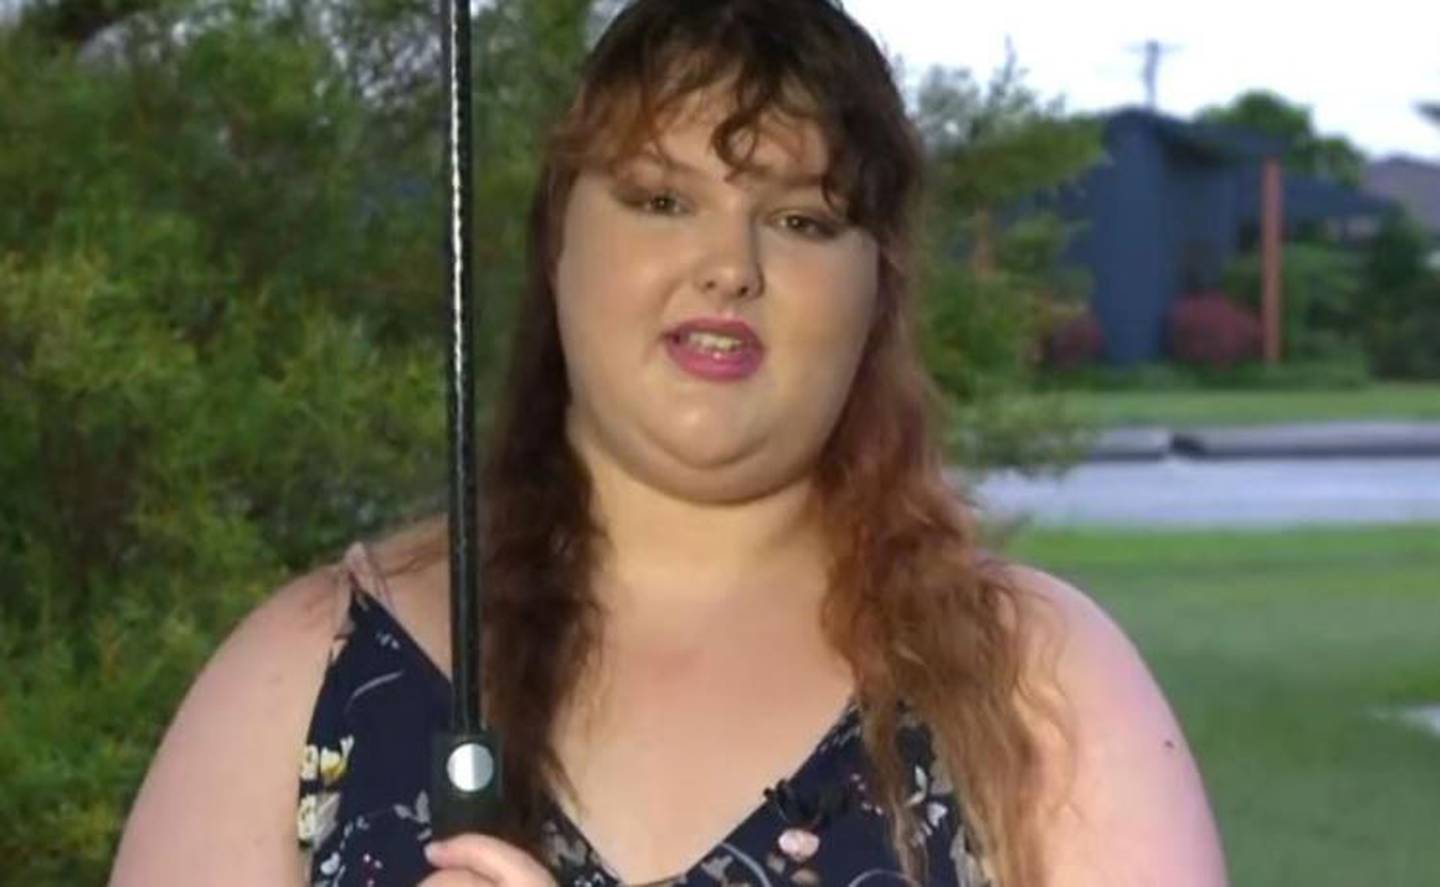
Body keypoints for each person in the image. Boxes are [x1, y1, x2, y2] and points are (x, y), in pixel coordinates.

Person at [109, 1, 1227, 884]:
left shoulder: (1040, 687)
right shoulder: (307, 677)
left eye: (800, 219)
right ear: (558, 248)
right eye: (660, 200)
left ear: (876, 292)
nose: (729, 265)